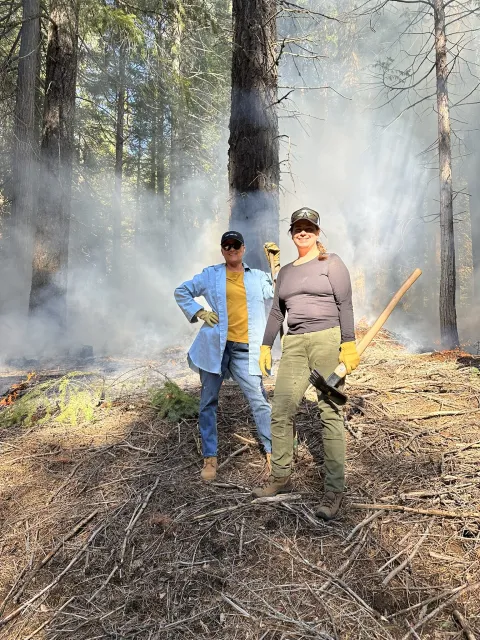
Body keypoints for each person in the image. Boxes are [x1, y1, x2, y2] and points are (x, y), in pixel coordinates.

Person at [252, 208, 360, 520]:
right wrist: (265, 345)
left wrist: (348, 342)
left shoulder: (331, 262)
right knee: (282, 409)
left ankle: (334, 490)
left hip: (327, 339)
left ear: (317, 232)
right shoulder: (285, 272)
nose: (303, 232)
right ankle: (281, 477)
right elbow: (276, 312)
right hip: (294, 344)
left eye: (309, 227)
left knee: (329, 411)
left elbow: (345, 303)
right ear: (291, 233)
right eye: (298, 228)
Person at [174, 231, 280, 482]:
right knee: (208, 401)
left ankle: (272, 451)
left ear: (243, 249)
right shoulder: (211, 275)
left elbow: (279, 291)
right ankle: (210, 457)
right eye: (227, 246)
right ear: (222, 250)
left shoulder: (257, 278)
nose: (231, 249)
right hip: (215, 348)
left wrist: (275, 266)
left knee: (259, 399)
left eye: (236, 245)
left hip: (246, 348)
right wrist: (199, 311)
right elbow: (182, 291)